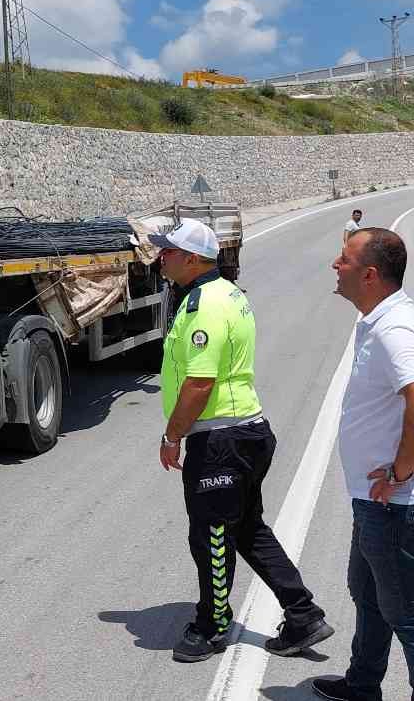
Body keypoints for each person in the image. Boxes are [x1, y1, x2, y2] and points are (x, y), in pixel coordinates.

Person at [152, 218, 334, 663]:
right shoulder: (221, 292)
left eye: (169, 251)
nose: (162, 257)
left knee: (212, 535)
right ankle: (303, 614)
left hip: (221, 441)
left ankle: (212, 625)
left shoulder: (205, 307)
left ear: (193, 259)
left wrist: (172, 435)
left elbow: (199, 382)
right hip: (242, 433)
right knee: (247, 529)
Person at [317, 228, 414, 701]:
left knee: (410, 616)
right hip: (379, 503)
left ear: (370, 274)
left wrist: (400, 470)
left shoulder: (395, 329)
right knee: (369, 596)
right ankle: (362, 686)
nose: (335, 266)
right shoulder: (380, 320)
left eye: (343, 260)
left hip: (401, 506)